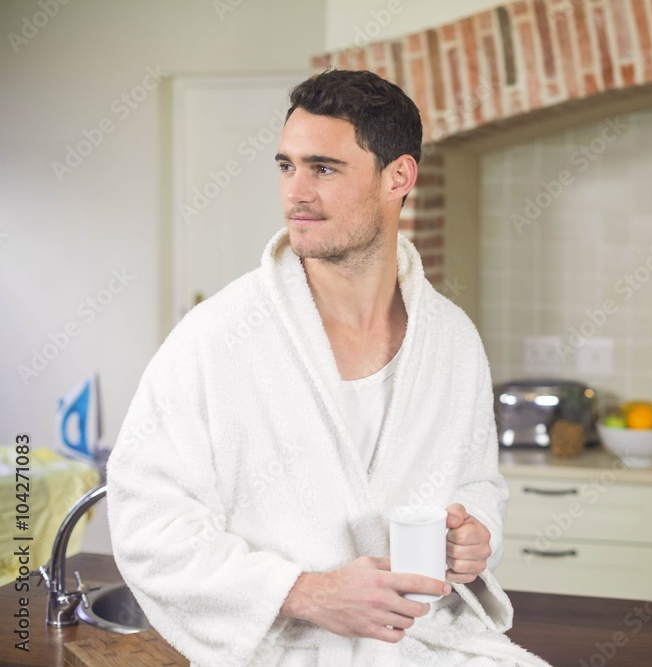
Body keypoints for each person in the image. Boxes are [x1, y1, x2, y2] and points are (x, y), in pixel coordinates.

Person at [107, 70, 547, 666]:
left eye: (324, 168)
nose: (296, 193)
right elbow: (148, 527)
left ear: (399, 177)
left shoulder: (450, 340)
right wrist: (306, 592)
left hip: (429, 643)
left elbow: (475, 482)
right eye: (287, 166)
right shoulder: (215, 340)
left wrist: (476, 536)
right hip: (289, 650)